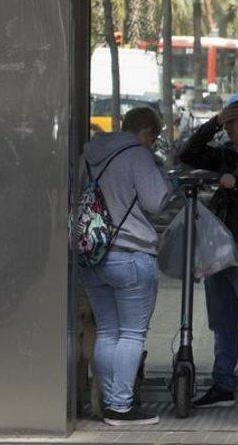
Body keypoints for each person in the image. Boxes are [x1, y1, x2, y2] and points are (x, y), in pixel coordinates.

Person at [77, 106, 171, 426]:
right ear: (145, 133)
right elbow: (156, 201)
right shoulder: (138, 155)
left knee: (107, 331)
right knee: (131, 334)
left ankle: (108, 403)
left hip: (93, 254)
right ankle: (120, 406)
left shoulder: (89, 155)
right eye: (153, 138)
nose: (152, 143)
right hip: (130, 253)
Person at [179, 100, 238, 411]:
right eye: (225, 124)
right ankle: (223, 385)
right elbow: (187, 154)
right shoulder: (228, 154)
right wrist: (213, 122)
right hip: (220, 248)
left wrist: (237, 183)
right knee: (222, 321)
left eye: (233, 122)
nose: (228, 130)